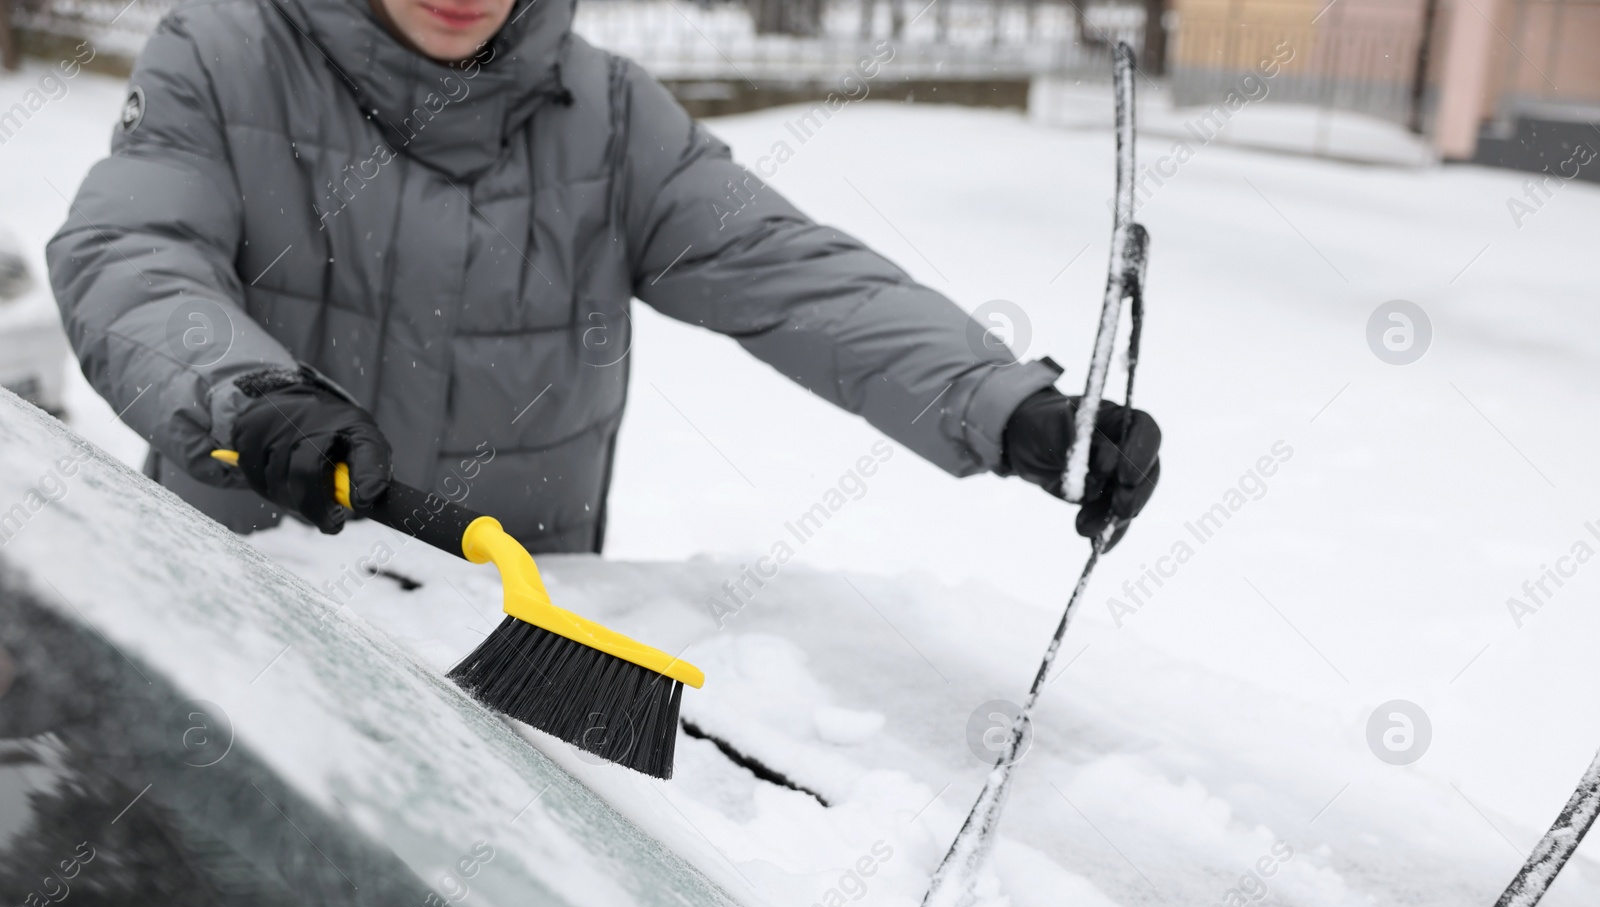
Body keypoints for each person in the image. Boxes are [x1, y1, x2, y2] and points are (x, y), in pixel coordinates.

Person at [49, 0, 1160, 552]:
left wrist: (1000, 402)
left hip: (510, 648)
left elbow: (784, 270)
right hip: (251, 597)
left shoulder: (612, 114)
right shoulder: (223, 55)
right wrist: (246, 397)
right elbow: (133, 255)